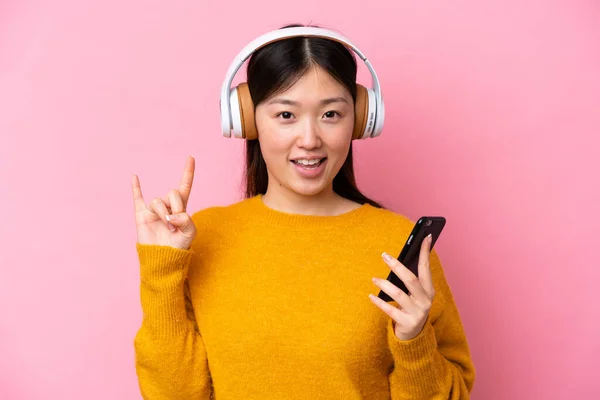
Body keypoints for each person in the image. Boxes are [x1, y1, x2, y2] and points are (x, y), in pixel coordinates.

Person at [131, 23, 475, 399]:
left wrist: (414, 342)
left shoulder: (400, 245)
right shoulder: (203, 236)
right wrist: (162, 269)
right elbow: (172, 395)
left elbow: (453, 393)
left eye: (331, 115)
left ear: (361, 119)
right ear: (247, 120)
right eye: (286, 115)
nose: (310, 140)